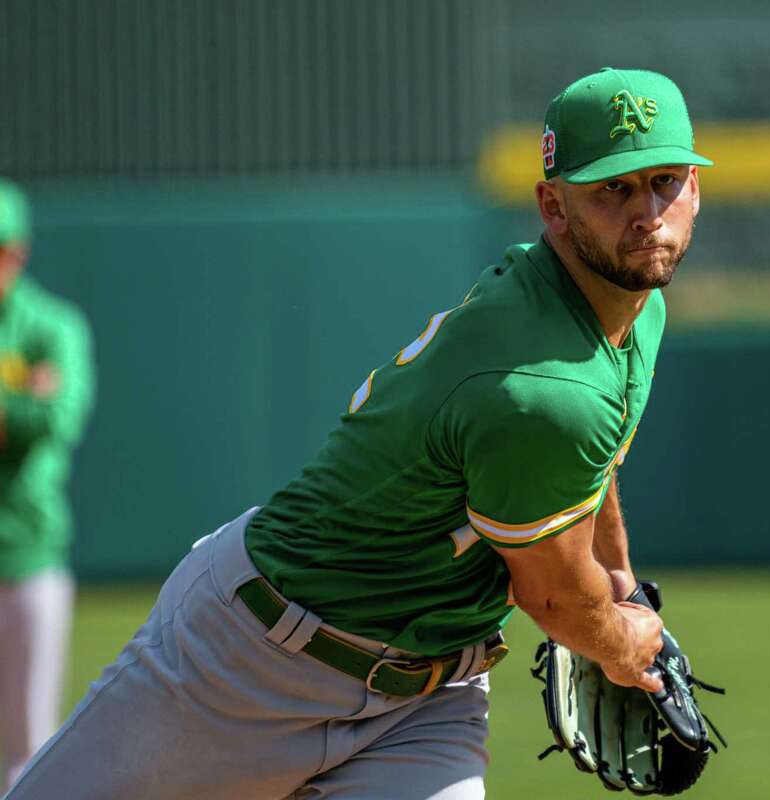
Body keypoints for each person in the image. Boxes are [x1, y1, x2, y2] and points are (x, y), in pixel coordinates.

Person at [4, 67, 710, 800]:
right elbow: (561, 602)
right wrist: (630, 645)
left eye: (664, 181)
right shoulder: (542, 387)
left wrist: (621, 584)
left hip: (428, 699)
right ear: (553, 206)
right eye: (612, 189)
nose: (647, 212)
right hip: (252, 657)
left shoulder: (629, 310)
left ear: (696, 186)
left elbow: (588, 472)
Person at [0, 179, 95, 792]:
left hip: (30, 555)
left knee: (30, 748)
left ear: (18, 252)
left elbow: (57, 418)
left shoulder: (52, 326)